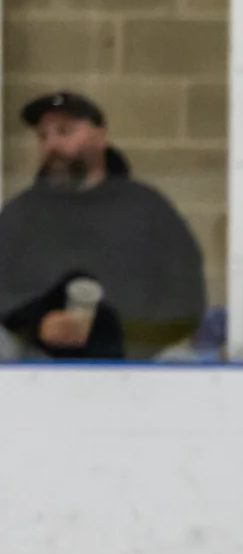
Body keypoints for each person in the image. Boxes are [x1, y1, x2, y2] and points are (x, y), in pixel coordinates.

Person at [0, 91, 206, 360]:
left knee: (181, 361)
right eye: (43, 136)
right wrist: (38, 324)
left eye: (64, 131)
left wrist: (117, 333)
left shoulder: (149, 208)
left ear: (101, 136)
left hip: (135, 358)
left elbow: (186, 294)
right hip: (38, 357)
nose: (52, 144)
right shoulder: (20, 213)